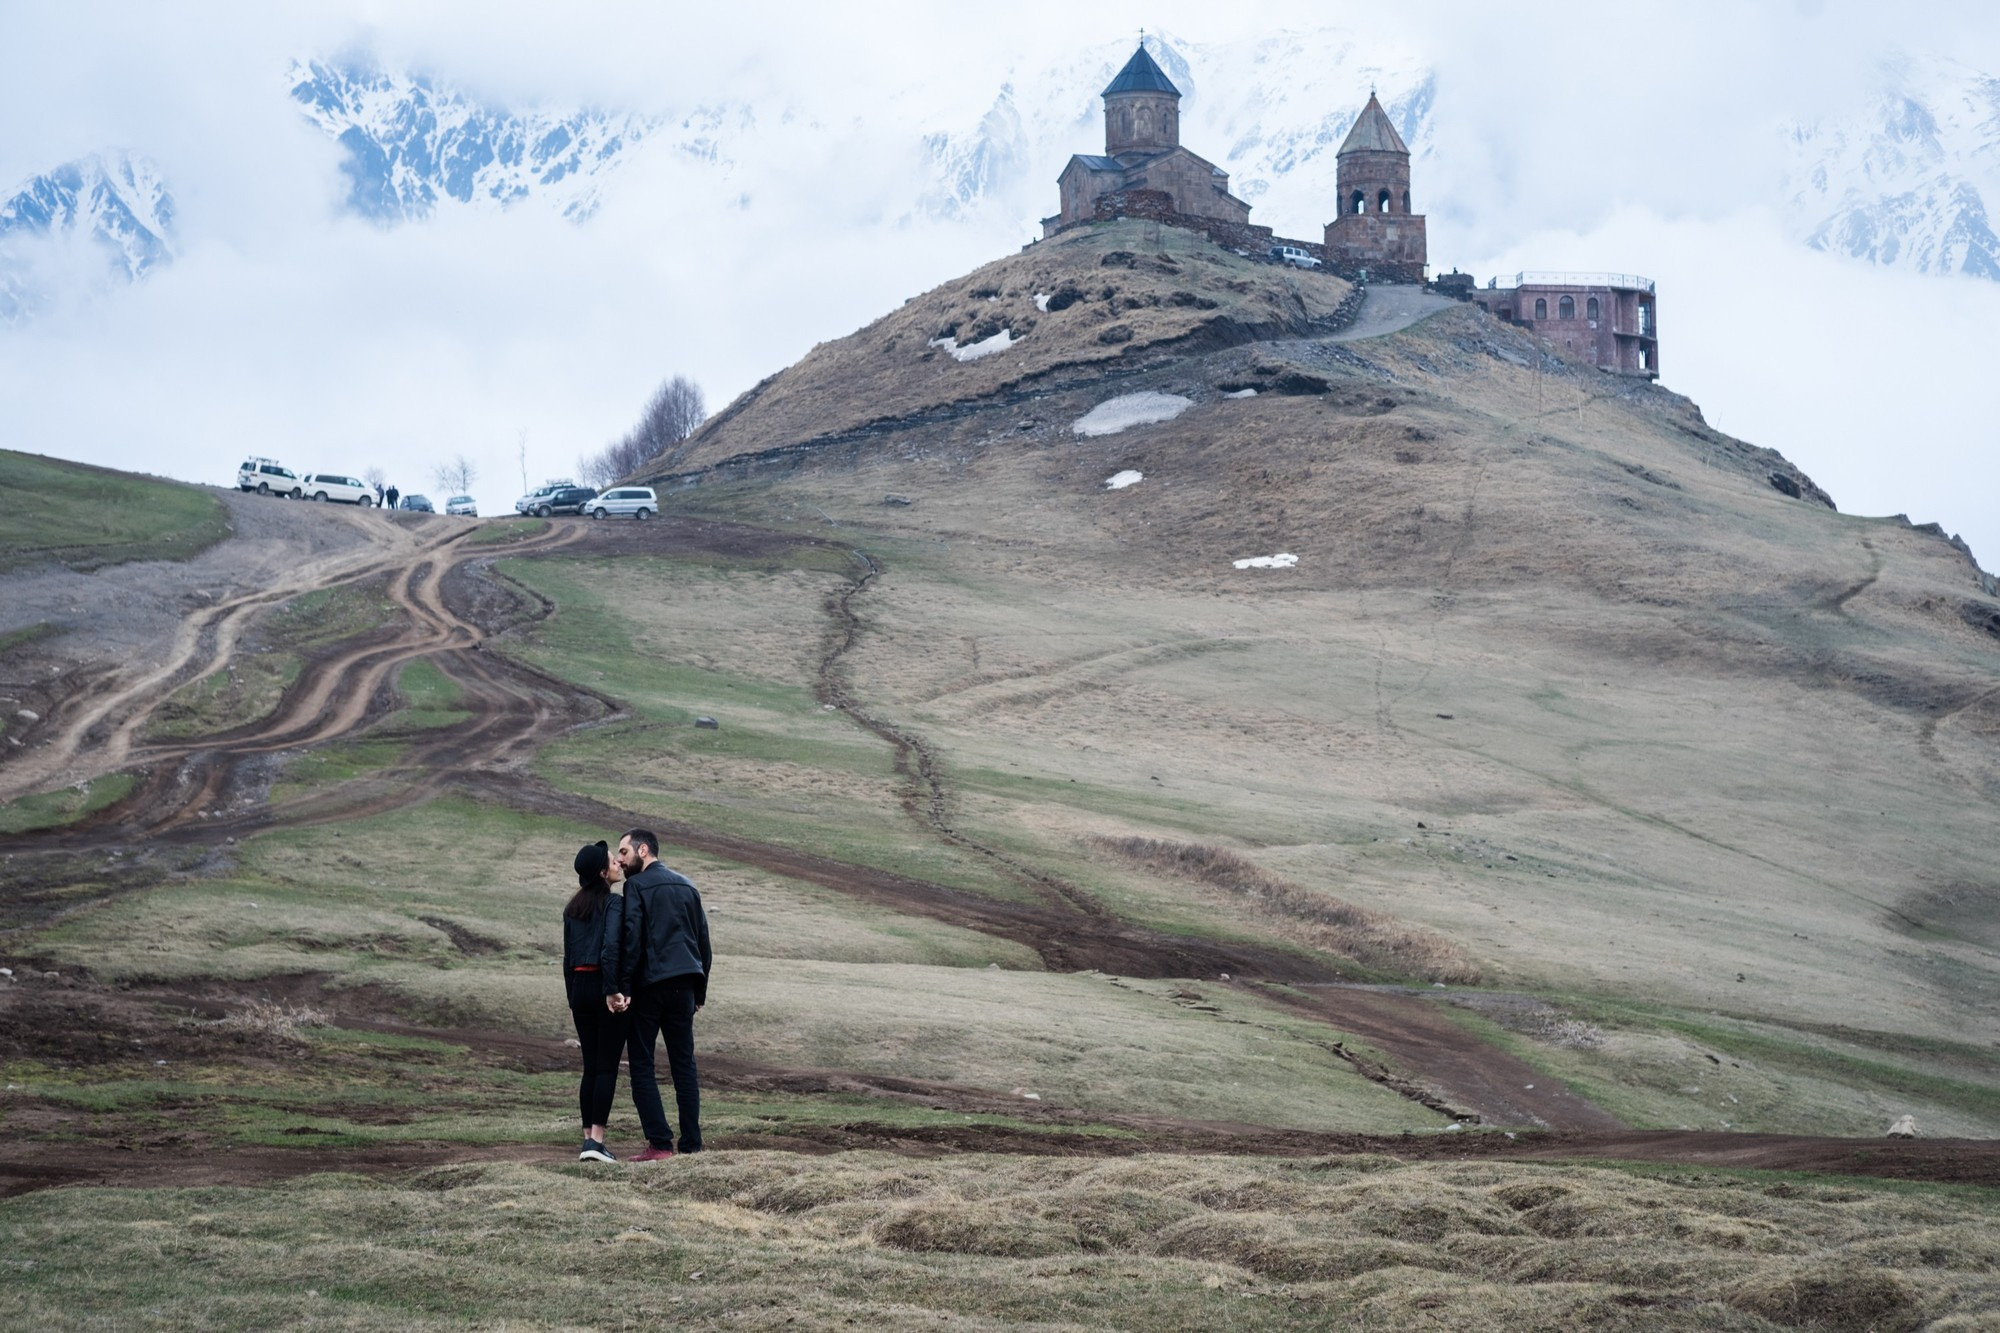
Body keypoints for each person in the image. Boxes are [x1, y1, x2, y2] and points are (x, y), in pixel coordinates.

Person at [607, 828, 711, 1160]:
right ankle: (692, 1145)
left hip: (650, 987)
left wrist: (623, 987)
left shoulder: (635, 886)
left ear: (644, 849)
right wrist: (700, 992)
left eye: (623, 852)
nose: (620, 860)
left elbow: (633, 938)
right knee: (684, 1066)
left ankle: (660, 1144)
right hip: (685, 987)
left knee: (641, 1064)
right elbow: (703, 943)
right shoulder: (687, 885)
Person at [563, 841, 628, 1163]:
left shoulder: (572, 908)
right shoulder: (613, 904)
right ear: (603, 873)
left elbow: (567, 958)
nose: (618, 862)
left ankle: (587, 1138)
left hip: (579, 989)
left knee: (590, 1066)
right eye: (611, 861)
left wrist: (572, 996)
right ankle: (596, 1142)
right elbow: (611, 948)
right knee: (606, 1068)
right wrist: (612, 989)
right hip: (603, 986)